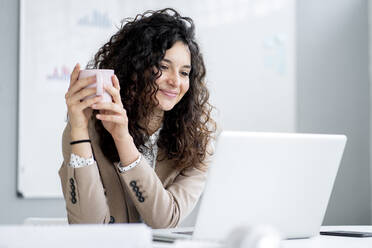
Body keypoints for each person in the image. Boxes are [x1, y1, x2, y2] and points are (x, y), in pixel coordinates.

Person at [59, 8, 216, 228]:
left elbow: (164, 220)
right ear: (135, 68)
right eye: (163, 67)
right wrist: (78, 132)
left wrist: (123, 140)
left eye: (184, 72)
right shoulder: (86, 129)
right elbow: (88, 226)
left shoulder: (197, 142)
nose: (175, 81)